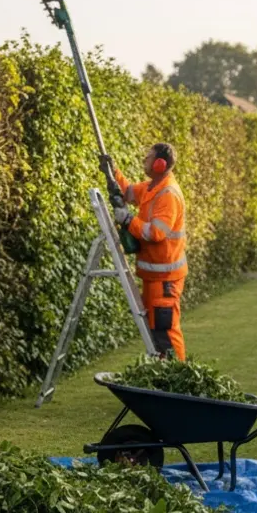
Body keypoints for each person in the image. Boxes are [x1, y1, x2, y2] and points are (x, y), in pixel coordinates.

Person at [111, 142, 187, 360]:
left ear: (160, 164)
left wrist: (128, 219)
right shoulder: (152, 187)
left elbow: (155, 233)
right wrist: (112, 171)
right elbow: (128, 192)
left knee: (166, 333)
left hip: (165, 279)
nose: (145, 159)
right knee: (156, 332)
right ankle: (165, 376)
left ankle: (178, 379)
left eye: (149, 157)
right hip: (155, 277)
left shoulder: (168, 195)